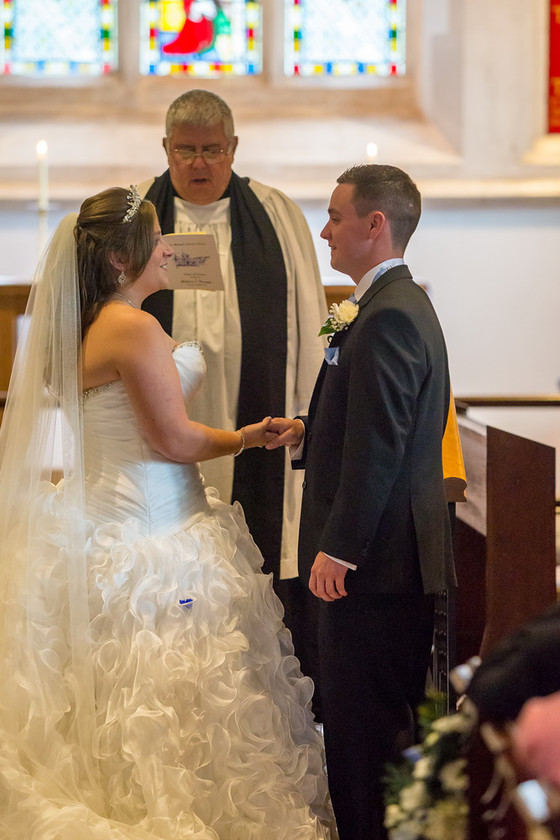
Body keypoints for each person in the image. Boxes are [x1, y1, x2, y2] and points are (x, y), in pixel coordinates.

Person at [0, 186, 335, 839]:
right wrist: (245, 437)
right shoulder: (132, 328)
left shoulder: (83, 325)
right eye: (155, 239)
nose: (166, 248)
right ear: (126, 259)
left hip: (95, 522)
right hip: (152, 536)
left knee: (114, 692)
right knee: (167, 694)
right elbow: (174, 441)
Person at [267, 164, 457, 840]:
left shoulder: (389, 317)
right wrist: (307, 428)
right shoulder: (385, 307)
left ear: (374, 225)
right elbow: (374, 422)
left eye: (335, 216)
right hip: (383, 562)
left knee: (363, 732)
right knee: (361, 726)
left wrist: (339, 548)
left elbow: (382, 444)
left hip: (375, 568)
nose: (324, 231)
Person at [138, 90, 326, 687]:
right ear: (165, 149)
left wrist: (305, 412)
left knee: (257, 548)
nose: (198, 163)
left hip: (256, 424)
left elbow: (305, 323)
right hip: (164, 426)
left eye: (212, 150)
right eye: (185, 150)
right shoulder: (136, 217)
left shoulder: (274, 214)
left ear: (234, 149)